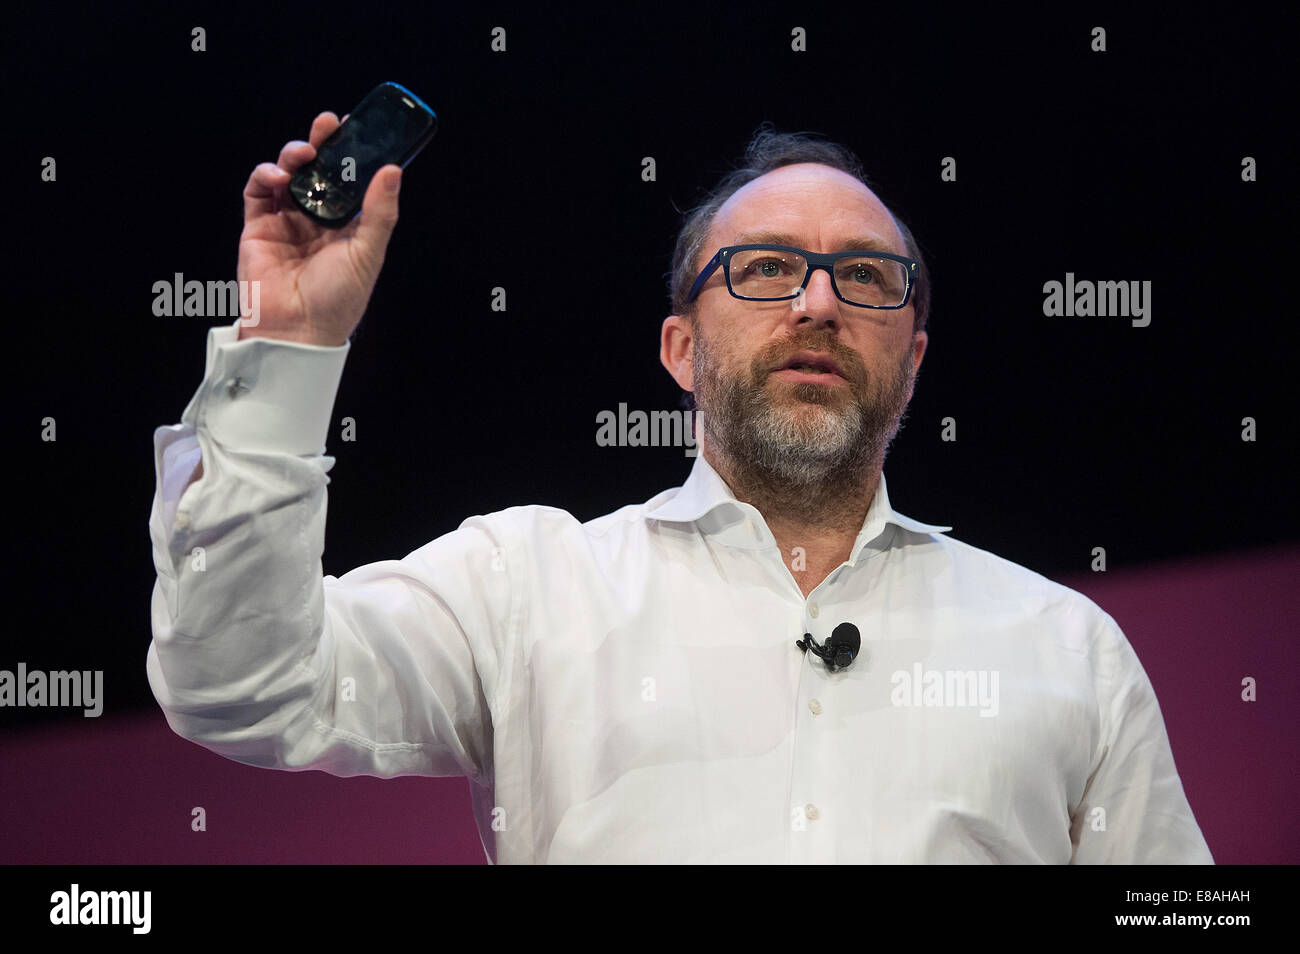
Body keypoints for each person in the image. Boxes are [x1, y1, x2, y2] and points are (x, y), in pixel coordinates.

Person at [147, 115, 1213, 864]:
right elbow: (242, 683)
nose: (815, 303)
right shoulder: (528, 586)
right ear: (678, 348)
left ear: (915, 355)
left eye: (867, 278)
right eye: (762, 269)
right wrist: (287, 350)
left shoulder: (1061, 646)